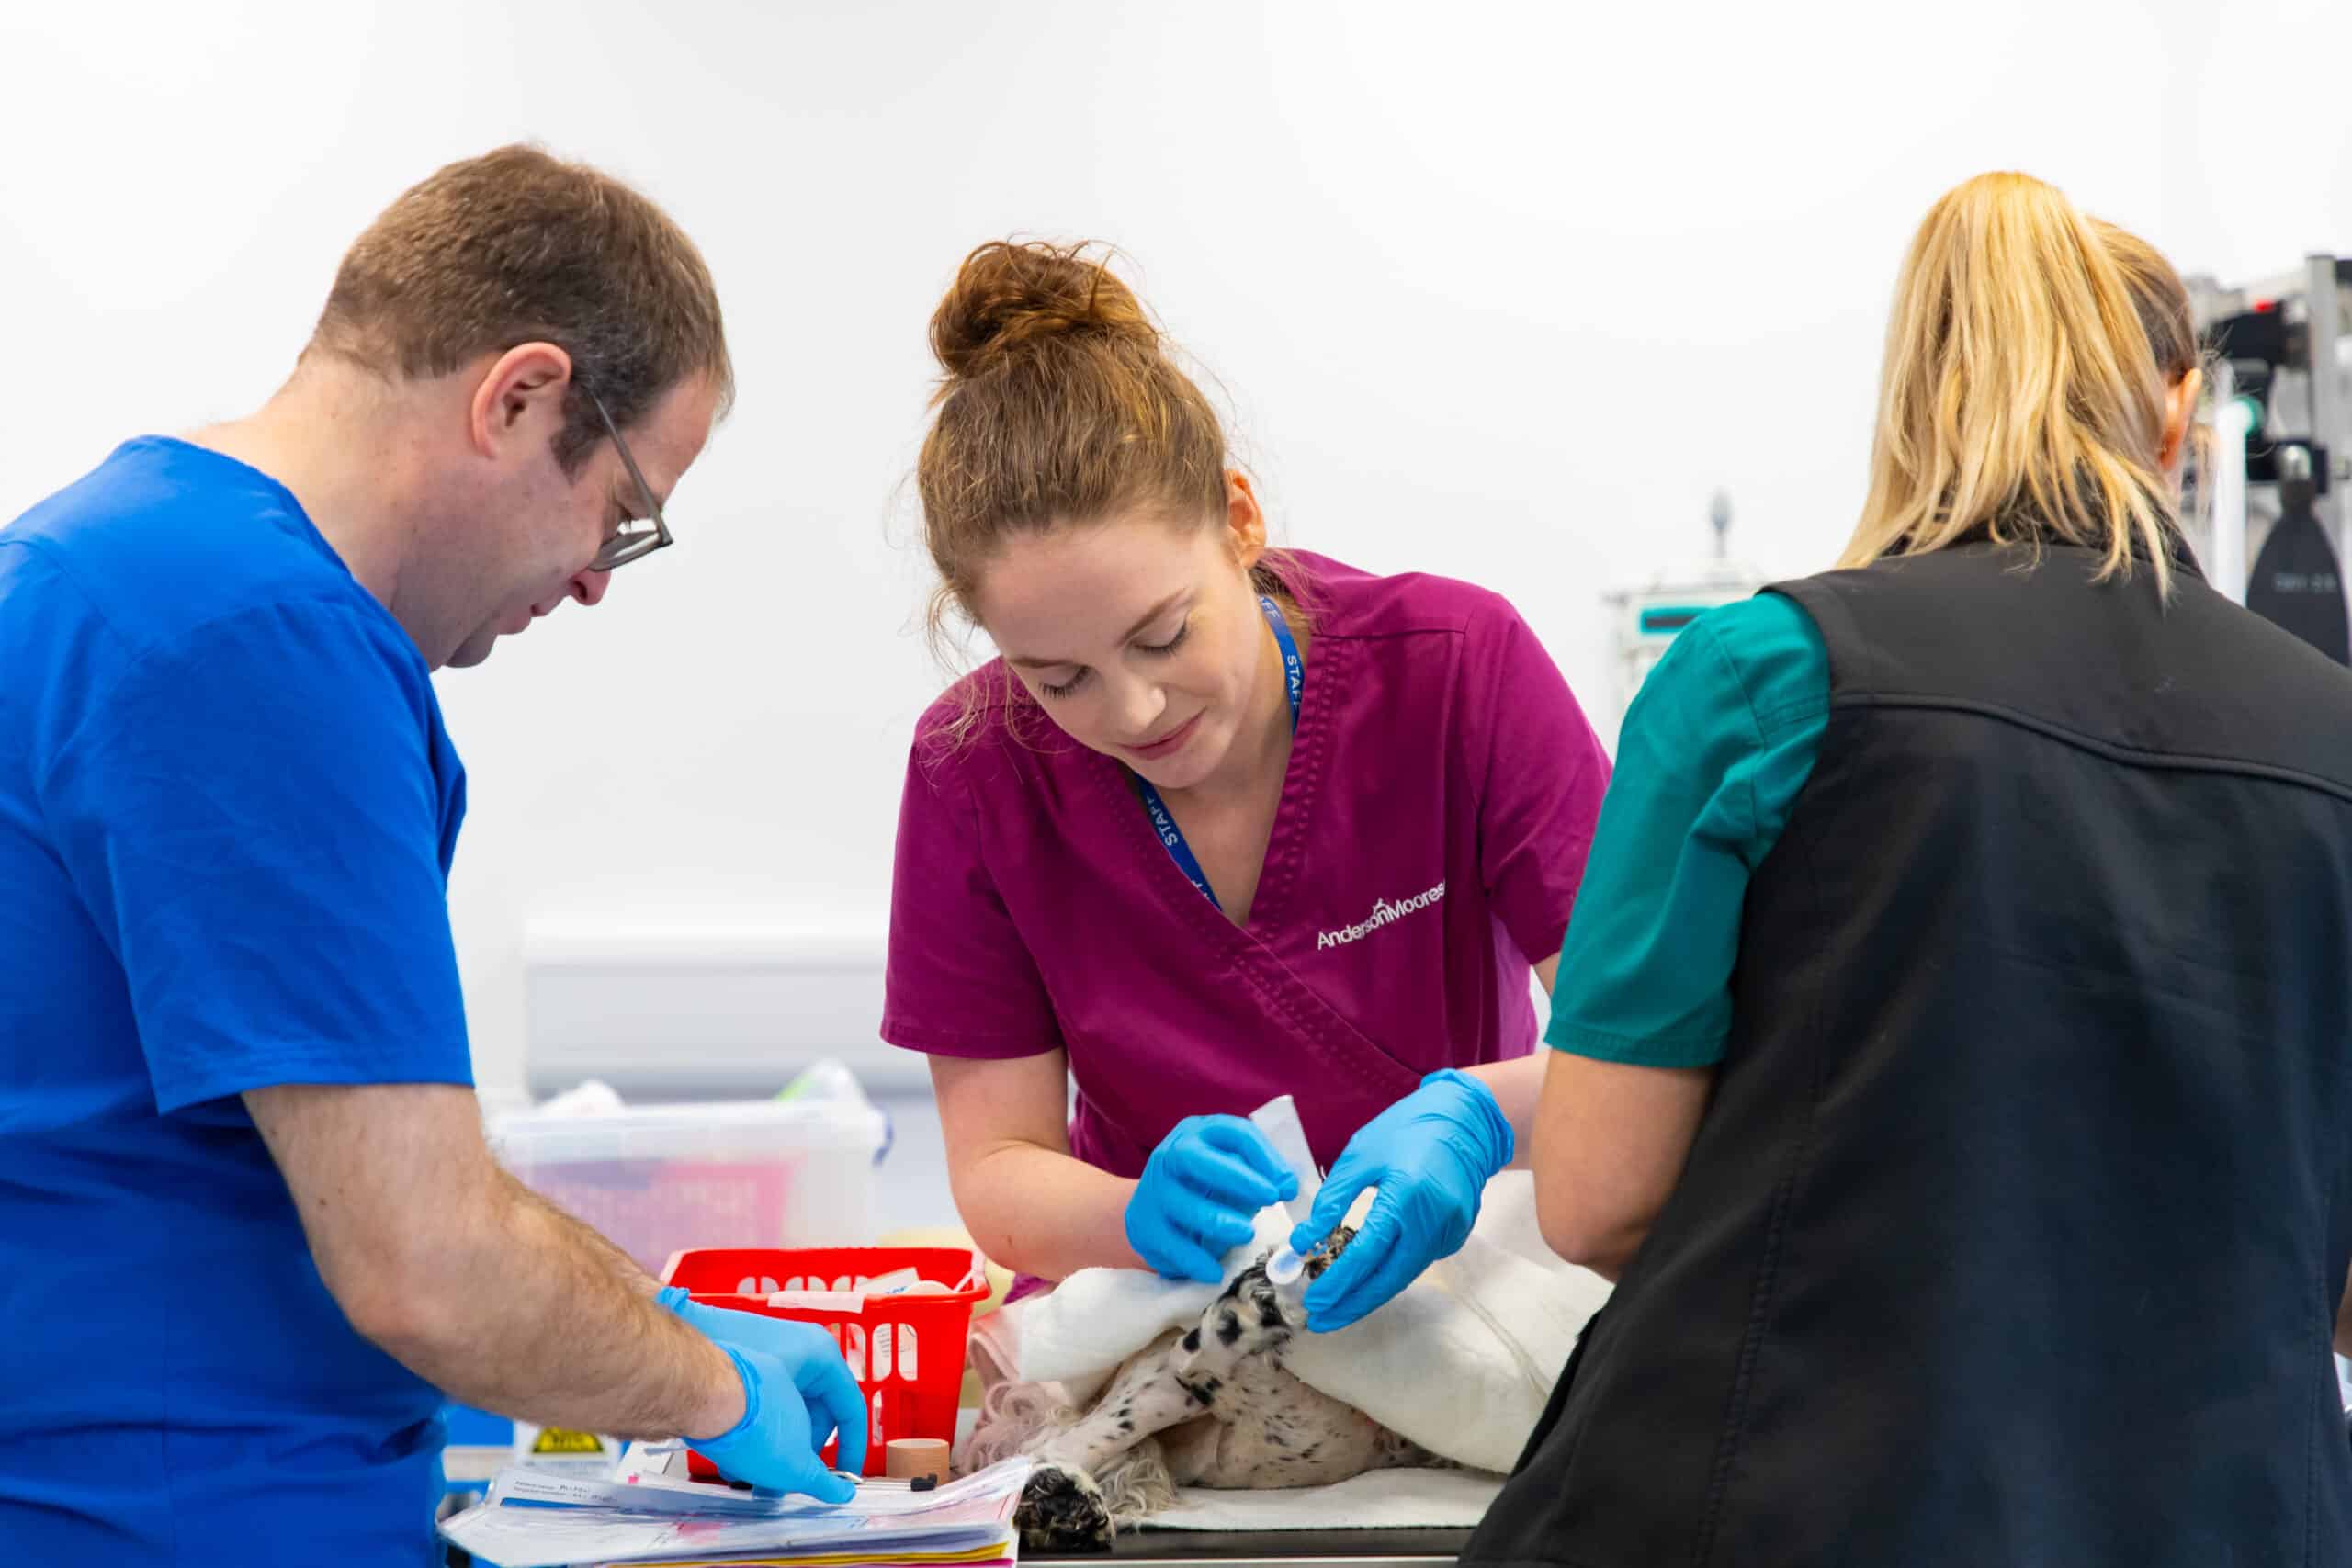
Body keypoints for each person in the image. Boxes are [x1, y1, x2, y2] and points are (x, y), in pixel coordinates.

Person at [1464, 172, 2352, 1565]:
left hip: (1797, 1495)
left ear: (1912, 399)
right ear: (2176, 417)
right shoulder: (2336, 743)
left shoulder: (1759, 678)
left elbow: (1596, 1195)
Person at [0, 146, 863, 1564]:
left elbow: (331, 1160)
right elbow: (425, 1262)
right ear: (519, 397)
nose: (595, 576)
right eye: (625, 512)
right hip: (174, 1517)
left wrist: (658, 1311)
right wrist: (705, 1382)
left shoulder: (107, 558)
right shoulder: (259, 639)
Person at [881, 241, 1611, 1332]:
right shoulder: (973, 771)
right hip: (1158, 1313)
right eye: (1060, 679)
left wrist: (1482, 1118)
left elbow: (1647, 1061)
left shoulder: (1458, 670)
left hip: (1459, 1290)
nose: (1133, 714)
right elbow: (997, 1165)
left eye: (1164, 635)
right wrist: (1132, 1217)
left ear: (1238, 518)